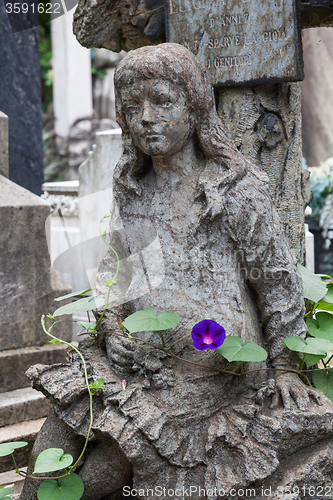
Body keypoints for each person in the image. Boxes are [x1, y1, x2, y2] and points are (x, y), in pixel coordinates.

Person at [21, 43, 328, 500]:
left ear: (195, 106)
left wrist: (284, 369)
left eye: (162, 101)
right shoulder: (134, 189)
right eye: (132, 107)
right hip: (143, 355)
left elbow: (276, 282)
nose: (146, 116)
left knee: (109, 464)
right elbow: (122, 277)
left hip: (215, 367)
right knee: (60, 426)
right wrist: (112, 328)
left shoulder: (234, 189)